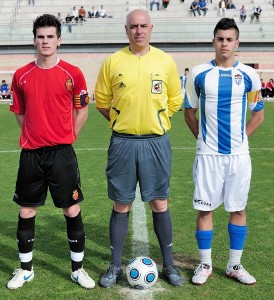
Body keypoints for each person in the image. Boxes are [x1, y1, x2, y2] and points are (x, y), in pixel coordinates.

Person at [95, 9, 185, 288]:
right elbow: (101, 101)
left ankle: (169, 265)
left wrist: (157, 119)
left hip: (155, 142)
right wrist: (121, 121)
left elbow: (174, 99)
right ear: (126, 30)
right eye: (133, 26)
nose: (139, 31)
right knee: (121, 203)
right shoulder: (113, 61)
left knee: (159, 202)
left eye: (143, 26)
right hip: (122, 142)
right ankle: (114, 266)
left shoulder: (165, 61)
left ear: (151, 28)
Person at [7, 14, 94, 290]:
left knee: (71, 208)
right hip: (32, 154)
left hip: (62, 154)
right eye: (40, 36)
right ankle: (25, 270)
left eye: (50, 37)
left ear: (59, 40)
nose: (45, 41)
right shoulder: (21, 76)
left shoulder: (73, 74)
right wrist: (34, 134)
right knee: (26, 211)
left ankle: (78, 270)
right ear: (34, 40)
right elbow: (19, 113)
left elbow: (83, 110)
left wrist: (69, 136)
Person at [184, 18, 264, 286]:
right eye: (220, 39)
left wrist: (242, 140)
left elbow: (258, 115)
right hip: (208, 156)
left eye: (229, 39)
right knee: (205, 210)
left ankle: (234, 265)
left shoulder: (250, 76)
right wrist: (203, 140)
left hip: (239, 157)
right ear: (213, 41)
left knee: (238, 208)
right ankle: (205, 264)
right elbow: (189, 113)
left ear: (237, 43)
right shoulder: (198, 74)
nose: (224, 43)